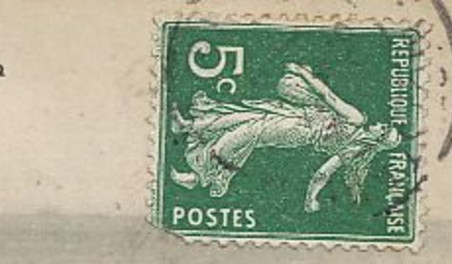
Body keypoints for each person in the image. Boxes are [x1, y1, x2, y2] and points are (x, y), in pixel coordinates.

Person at [170, 62, 402, 213]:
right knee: (248, 116)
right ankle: (189, 126)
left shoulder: (357, 119)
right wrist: (311, 200)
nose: (381, 123)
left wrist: (303, 73)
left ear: (378, 137)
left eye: (384, 128)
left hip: (300, 126)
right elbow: (323, 173)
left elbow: (328, 96)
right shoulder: (354, 152)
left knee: (248, 131)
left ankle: (197, 175)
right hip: (299, 121)